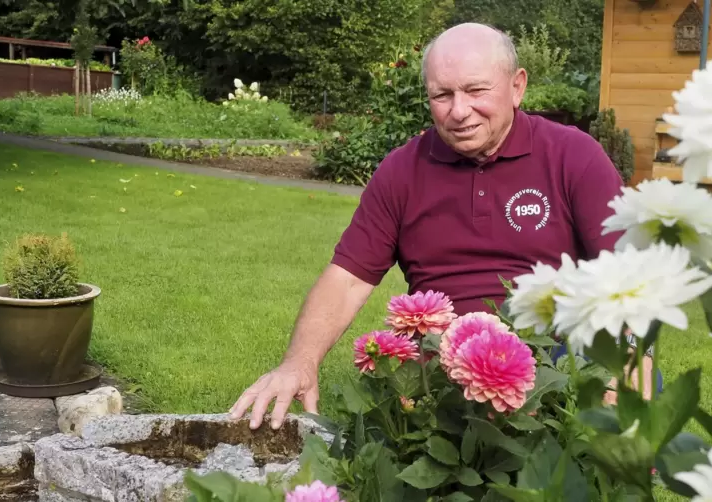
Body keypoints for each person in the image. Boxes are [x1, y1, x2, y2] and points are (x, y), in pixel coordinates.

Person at [229, 22, 655, 430]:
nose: (459, 111)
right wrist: (298, 362)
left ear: (517, 86)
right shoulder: (402, 171)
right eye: (442, 95)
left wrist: (630, 361)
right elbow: (347, 280)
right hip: (444, 364)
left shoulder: (574, 156)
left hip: (554, 357)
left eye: (475, 91)